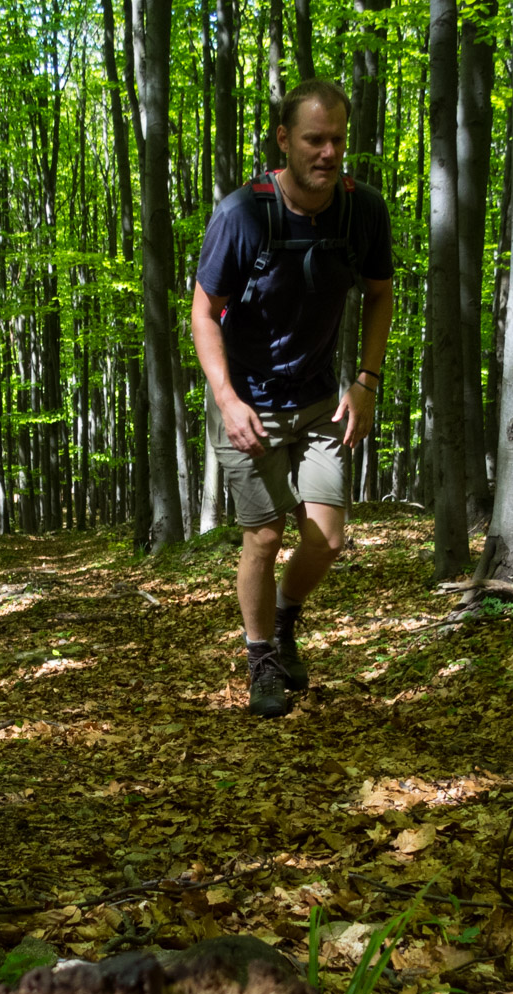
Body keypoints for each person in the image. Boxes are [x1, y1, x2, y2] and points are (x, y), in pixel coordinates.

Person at [190, 78, 395, 717]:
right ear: (285, 140)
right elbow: (203, 313)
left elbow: (381, 293)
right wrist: (225, 398)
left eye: (337, 139)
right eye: (314, 139)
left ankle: (283, 623)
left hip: (318, 401)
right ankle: (262, 662)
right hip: (247, 400)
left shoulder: (364, 210)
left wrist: (366, 382)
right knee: (265, 533)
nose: (329, 152)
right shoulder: (242, 214)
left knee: (327, 539)